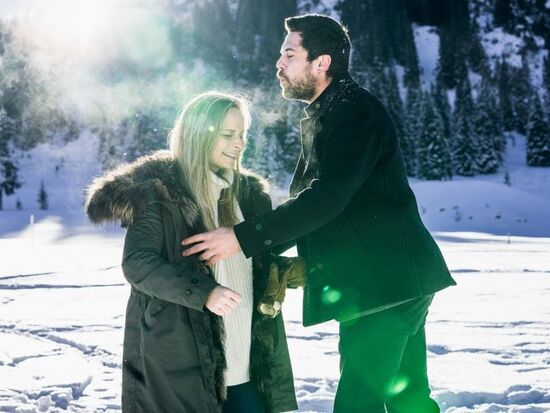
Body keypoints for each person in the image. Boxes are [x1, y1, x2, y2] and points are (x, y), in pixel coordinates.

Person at [181, 14, 457, 413]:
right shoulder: (330, 112)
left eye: (289, 54)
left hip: (385, 286)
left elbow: (327, 198)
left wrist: (241, 237)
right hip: (388, 283)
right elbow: (329, 207)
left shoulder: (353, 113)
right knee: (408, 399)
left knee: (358, 404)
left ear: (321, 63)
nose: (279, 64)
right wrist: (281, 255)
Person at [85, 92, 297, 413]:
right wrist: (204, 292)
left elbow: (252, 263)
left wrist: (287, 270)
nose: (239, 143)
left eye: (242, 135)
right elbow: (138, 264)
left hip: (249, 364)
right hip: (186, 365)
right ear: (199, 133)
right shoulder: (160, 193)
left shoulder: (250, 196)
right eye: (228, 135)